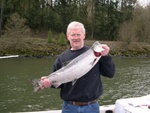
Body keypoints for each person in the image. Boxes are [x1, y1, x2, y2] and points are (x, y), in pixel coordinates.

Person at [41, 21, 115, 113]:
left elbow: (110, 73)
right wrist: (49, 82)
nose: (76, 38)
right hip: (69, 107)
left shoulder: (96, 55)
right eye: (73, 35)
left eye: (78, 34)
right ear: (68, 36)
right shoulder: (62, 58)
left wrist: (106, 57)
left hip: (91, 107)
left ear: (84, 35)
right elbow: (59, 84)